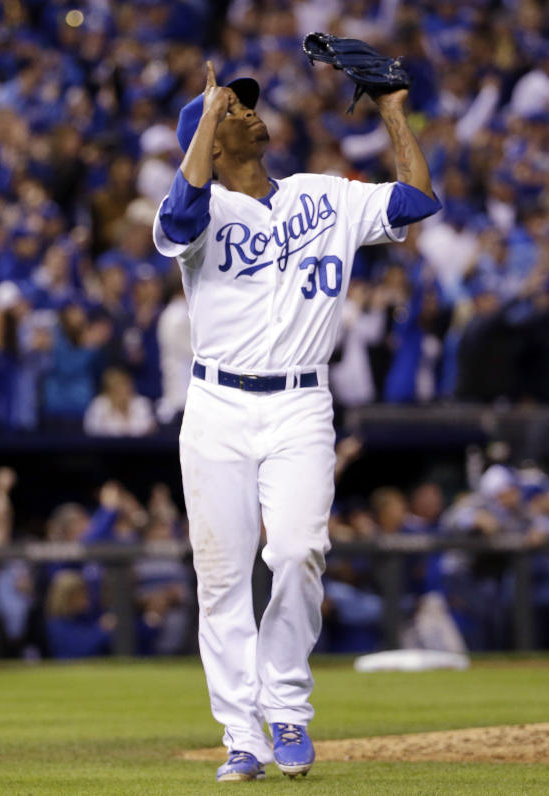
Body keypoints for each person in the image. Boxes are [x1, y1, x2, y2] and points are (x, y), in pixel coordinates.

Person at [152, 62, 440, 782]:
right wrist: (204, 119)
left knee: (298, 551)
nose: (247, 111)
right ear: (211, 144)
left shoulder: (323, 196)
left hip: (300, 404)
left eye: (246, 105)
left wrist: (394, 111)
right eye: (231, 111)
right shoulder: (200, 211)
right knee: (221, 579)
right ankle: (240, 736)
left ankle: (286, 708)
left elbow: (417, 202)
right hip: (216, 405)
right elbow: (181, 215)